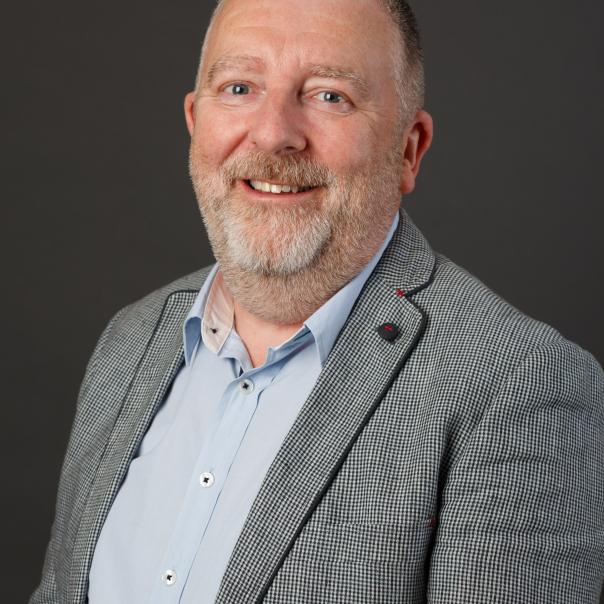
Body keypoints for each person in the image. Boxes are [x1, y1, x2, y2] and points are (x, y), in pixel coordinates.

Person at [31, 0, 604, 602]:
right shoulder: (130, 340)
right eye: (240, 87)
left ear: (409, 150)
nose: (274, 133)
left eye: (330, 96)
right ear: (196, 123)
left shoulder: (521, 382)